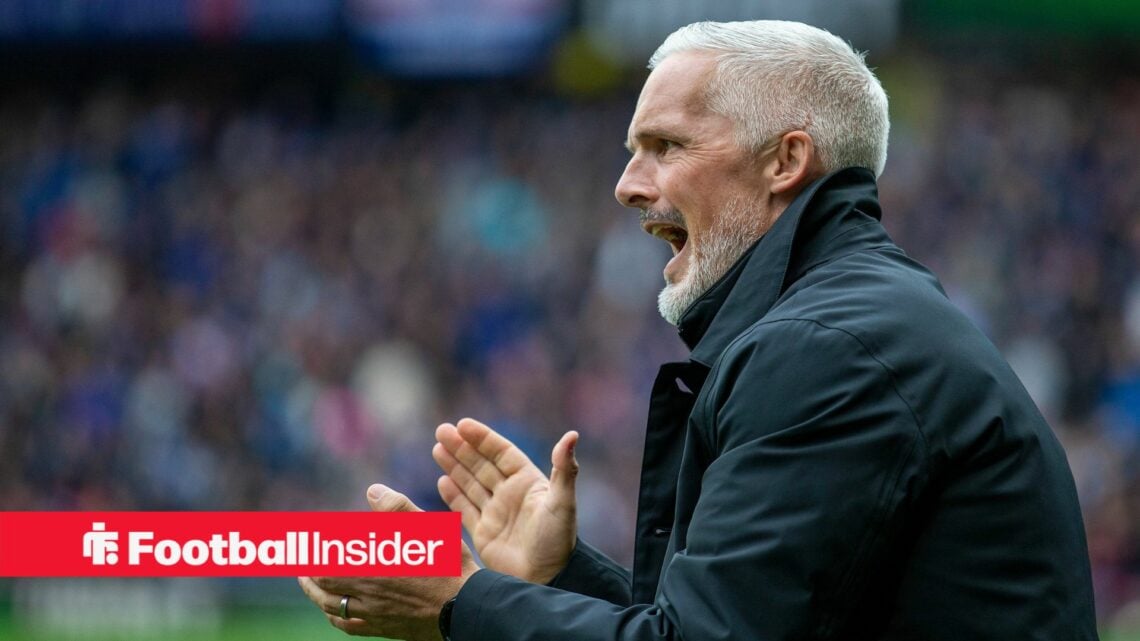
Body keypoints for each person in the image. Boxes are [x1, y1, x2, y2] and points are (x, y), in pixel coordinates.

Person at [299, 19, 1098, 640]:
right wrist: (560, 575)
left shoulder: (831, 350)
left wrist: (459, 602)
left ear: (785, 161)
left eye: (664, 146)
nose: (624, 185)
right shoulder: (855, 322)